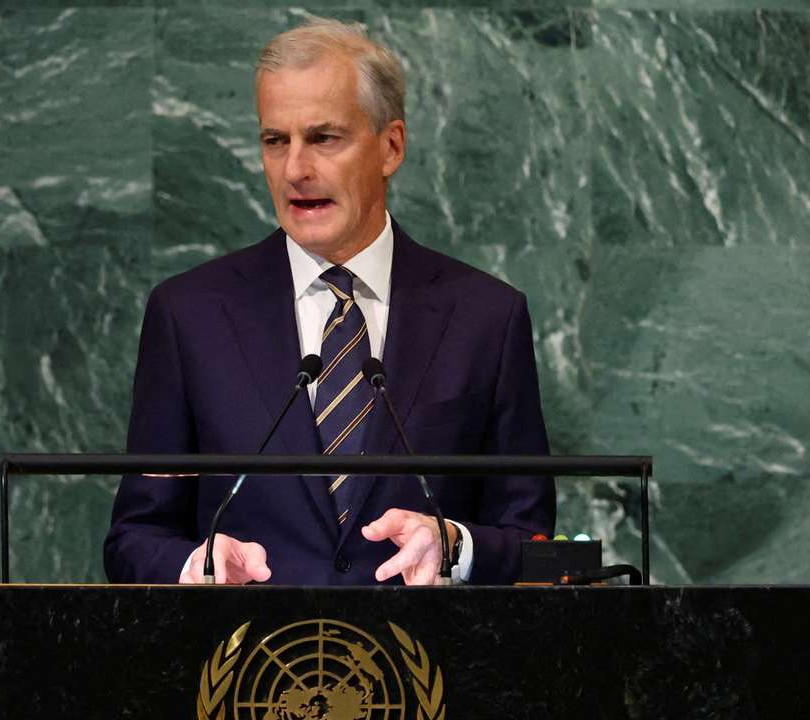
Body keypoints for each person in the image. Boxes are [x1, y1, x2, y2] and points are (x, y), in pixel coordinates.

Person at [103, 17, 553, 586]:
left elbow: (531, 539)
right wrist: (197, 566)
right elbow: (135, 538)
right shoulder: (189, 314)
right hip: (247, 666)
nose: (296, 170)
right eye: (275, 141)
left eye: (324, 138)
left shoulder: (487, 317)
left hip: (428, 665)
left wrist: (454, 545)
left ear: (391, 147)